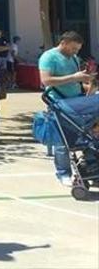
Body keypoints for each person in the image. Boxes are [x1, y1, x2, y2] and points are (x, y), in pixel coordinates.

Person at [38, 31, 98, 185]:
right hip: (59, 103)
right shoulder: (49, 57)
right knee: (62, 141)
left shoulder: (74, 58)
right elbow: (46, 80)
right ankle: (63, 173)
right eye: (73, 48)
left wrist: (88, 83)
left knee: (87, 136)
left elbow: (76, 82)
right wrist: (74, 77)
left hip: (77, 102)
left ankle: (91, 167)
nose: (75, 52)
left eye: (77, 49)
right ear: (63, 43)